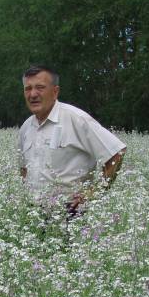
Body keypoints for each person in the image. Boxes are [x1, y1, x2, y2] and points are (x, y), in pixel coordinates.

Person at [18, 65, 126, 217]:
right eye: (27, 89)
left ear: (55, 92)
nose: (33, 94)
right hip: (33, 214)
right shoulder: (26, 127)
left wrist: (93, 193)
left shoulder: (76, 119)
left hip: (70, 212)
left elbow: (116, 151)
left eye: (40, 87)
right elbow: (24, 169)